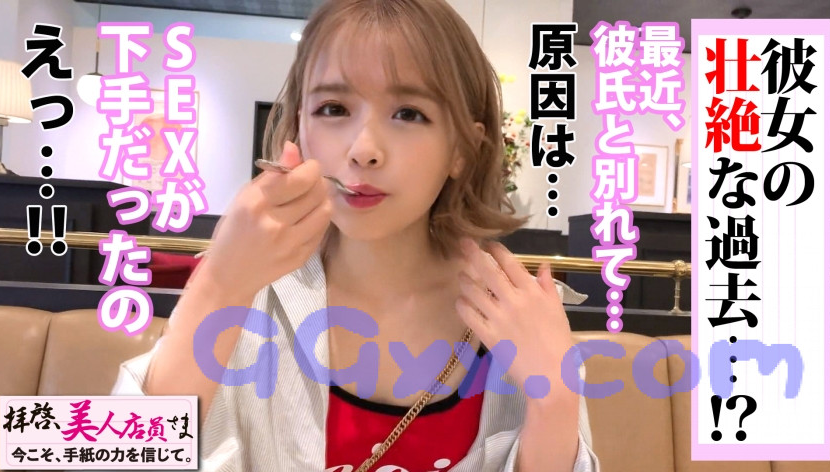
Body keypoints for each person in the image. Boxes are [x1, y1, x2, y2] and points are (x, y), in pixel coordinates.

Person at [113, 0, 600, 470]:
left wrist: (555, 401)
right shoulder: (250, 294)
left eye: (409, 113)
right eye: (333, 108)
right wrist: (217, 287)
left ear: (462, 149)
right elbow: (114, 455)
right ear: (298, 129)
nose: (363, 149)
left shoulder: (516, 316)